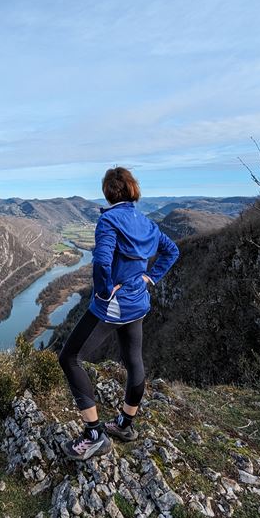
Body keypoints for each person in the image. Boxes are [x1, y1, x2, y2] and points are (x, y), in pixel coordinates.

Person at [58, 166, 180, 460]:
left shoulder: (109, 220)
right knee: (133, 359)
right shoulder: (147, 223)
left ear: (108, 193)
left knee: (69, 357)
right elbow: (171, 250)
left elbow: (101, 261)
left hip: (112, 304)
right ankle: (125, 424)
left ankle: (95, 434)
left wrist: (102, 291)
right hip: (137, 303)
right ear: (132, 189)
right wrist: (151, 277)